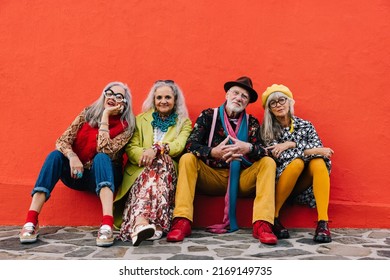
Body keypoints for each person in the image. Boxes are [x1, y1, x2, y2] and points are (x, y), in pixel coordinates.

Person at [19, 81, 135, 247]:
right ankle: (31, 221)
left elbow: (105, 149)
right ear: (103, 95)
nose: (112, 98)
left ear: (124, 103)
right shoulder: (87, 114)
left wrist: (105, 116)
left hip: (104, 176)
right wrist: (72, 156)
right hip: (77, 174)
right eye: (109, 93)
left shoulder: (127, 126)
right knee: (55, 156)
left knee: (101, 157)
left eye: (118, 96)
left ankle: (106, 225)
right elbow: (62, 141)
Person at [166, 76, 278, 245]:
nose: (239, 98)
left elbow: (264, 152)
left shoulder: (252, 123)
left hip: (241, 178)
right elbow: (190, 145)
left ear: (247, 103)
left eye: (244, 97)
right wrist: (213, 152)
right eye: (236, 93)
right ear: (227, 95)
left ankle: (262, 224)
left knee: (268, 163)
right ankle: (182, 221)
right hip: (211, 176)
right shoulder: (209, 115)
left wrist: (248, 148)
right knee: (188, 158)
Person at [114, 80, 192, 246]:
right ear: (154, 100)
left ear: (175, 100)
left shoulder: (184, 123)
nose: (163, 101)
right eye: (159, 97)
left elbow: (178, 146)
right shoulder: (140, 120)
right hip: (140, 171)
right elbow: (131, 147)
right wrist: (145, 156)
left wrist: (156, 149)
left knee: (161, 160)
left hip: (168, 175)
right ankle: (154, 225)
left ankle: (139, 222)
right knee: (154, 168)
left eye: (168, 97)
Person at [260, 84, 334, 243]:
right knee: (297, 163)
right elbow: (281, 156)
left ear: (290, 102)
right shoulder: (267, 130)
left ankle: (323, 222)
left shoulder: (306, 125)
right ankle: (274, 217)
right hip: (281, 183)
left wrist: (290, 144)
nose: (279, 105)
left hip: (304, 185)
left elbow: (321, 152)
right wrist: (298, 148)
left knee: (319, 162)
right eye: (273, 103)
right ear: (269, 109)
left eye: (282, 100)